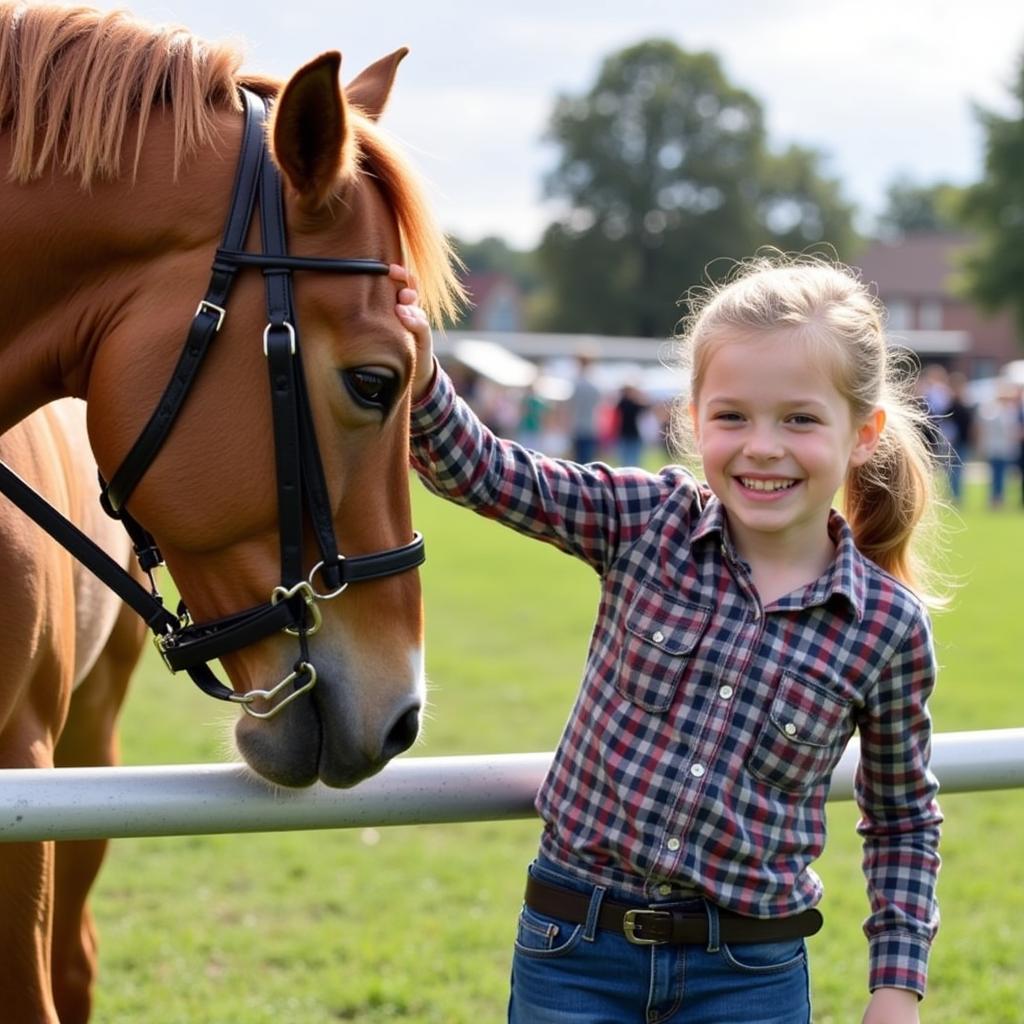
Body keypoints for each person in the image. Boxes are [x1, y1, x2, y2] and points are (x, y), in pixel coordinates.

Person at [393, 254, 943, 1024]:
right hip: (573, 949)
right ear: (690, 419)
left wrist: (895, 987)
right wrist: (420, 378)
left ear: (863, 434)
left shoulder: (885, 626)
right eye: (732, 417)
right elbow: (484, 472)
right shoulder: (645, 522)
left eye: (800, 419)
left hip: (750, 973)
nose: (762, 446)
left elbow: (902, 818)